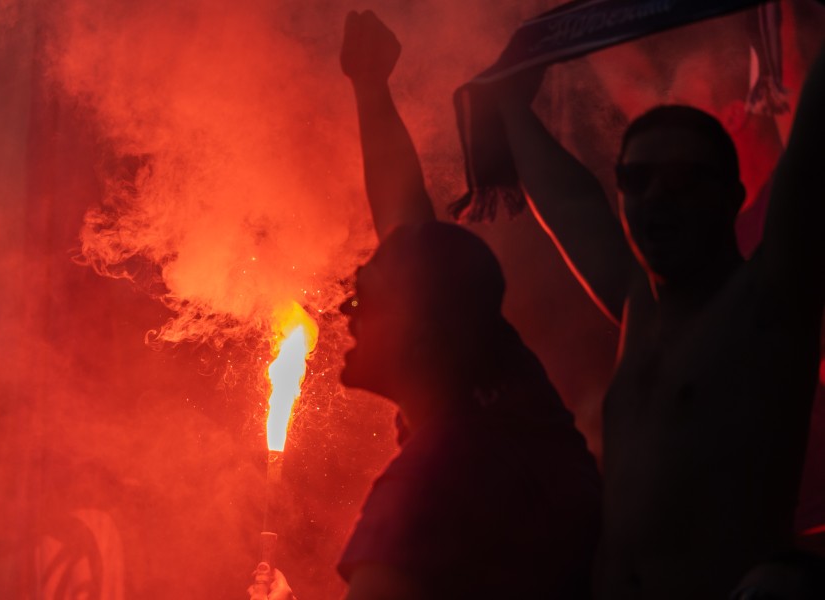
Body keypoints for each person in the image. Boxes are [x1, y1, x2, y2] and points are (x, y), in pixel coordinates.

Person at [250, 10, 601, 600]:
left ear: (422, 337)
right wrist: (369, 86)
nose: (345, 311)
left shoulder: (434, 479)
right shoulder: (494, 387)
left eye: (367, 296)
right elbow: (408, 229)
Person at [489, 24, 825, 600]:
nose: (659, 198)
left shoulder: (767, 302)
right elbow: (570, 202)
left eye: (686, 180)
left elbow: (815, 154)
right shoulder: (638, 305)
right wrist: (506, 102)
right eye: (638, 180)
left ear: (733, 197)